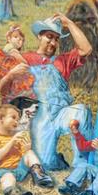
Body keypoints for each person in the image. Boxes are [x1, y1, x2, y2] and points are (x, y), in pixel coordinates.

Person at [20, 13, 93, 171]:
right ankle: (58, 160)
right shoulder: (25, 58)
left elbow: (86, 49)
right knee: (45, 164)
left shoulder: (63, 60)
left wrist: (69, 23)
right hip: (40, 119)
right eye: (49, 36)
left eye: (56, 38)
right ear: (40, 36)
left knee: (81, 111)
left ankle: (82, 165)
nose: (53, 42)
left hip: (61, 114)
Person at [0, 101, 54, 195]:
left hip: (19, 169)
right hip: (2, 170)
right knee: (8, 177)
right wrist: (12, 141)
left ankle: (39, 175)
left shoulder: (17, 136)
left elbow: (24, 155)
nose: (16, 121)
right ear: (1, 118)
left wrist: (27, 148)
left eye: (18, 119)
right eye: (13, 117)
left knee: (29, 153)